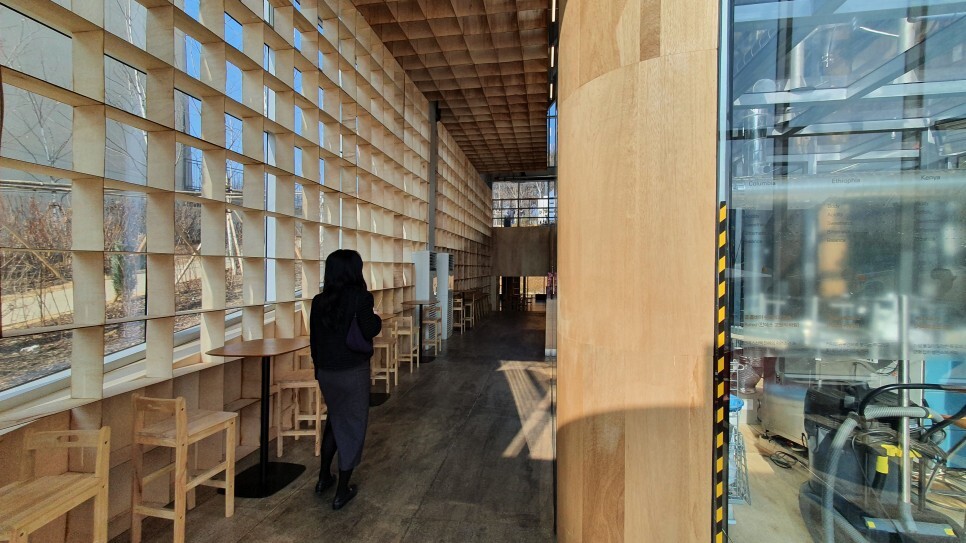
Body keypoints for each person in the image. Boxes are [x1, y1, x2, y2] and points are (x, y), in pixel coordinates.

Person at [309, 249, 382, 509]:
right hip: (352, 372)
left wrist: (319, 370)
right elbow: (370, 329)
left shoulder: (318, 301)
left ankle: (323, 478)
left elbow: (314, 340)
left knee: (334, 422)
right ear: (354, 271)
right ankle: (342, 490)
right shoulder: (361, 298)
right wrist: (375, 316)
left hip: (326, 373)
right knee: (352, 426)